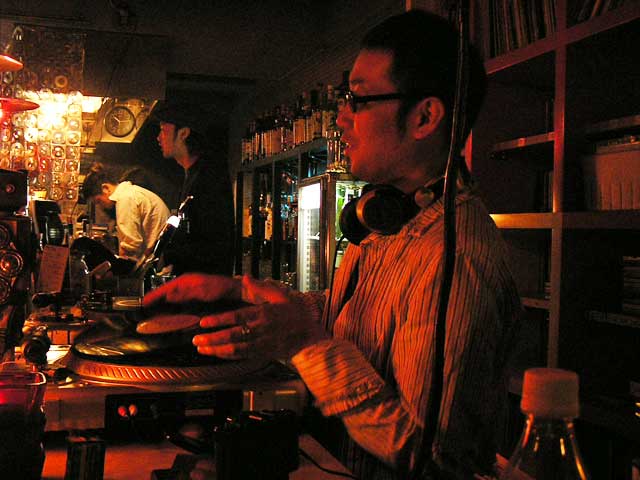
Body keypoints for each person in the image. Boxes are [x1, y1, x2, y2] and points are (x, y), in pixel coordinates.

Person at [144, 10, 521, 480]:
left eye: (358, 100)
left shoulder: (457, 260)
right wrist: (244, 294)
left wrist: (304, 342)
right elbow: (353, 316)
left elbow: (434, 458)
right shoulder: (389, 215)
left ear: (424, 117)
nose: (341, 118)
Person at [154, 104, 235, 276]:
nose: (158, 138)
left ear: (183, 133)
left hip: (206, 287)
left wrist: (169, 256)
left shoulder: (209, 177)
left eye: (163, 130)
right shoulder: (194, 174)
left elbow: (214, 244)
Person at [82, 163, 170, 262]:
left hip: (155, 262)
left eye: (98, 201)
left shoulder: (125, 199)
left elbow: (130, 247)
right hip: (158, 257)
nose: (100, 206)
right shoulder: (130, 192)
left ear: (105, 188)